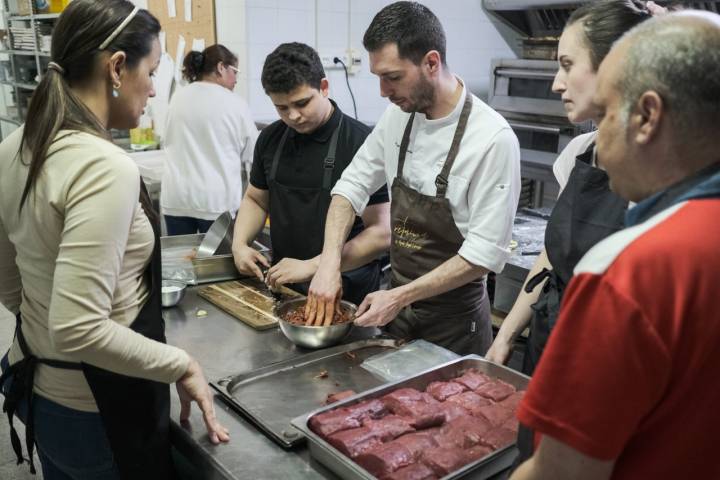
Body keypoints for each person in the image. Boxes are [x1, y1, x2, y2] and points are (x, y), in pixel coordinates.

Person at [0, 2, 228, 479]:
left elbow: (7, 276)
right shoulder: (104, 167)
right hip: (99, 407)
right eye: (152, 71)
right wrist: (180, 363)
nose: (152, 90)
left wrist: (39, 319)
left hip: (41, 389)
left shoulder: (17, 144)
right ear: (118, 67)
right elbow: (78, 328)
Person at [512, 11, 720, 479]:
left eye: (605, 114)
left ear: (647, 117)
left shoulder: (631, 271)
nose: (599, 144)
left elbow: (560, 473)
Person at [307, 2, 521, 355]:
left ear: (431, 63)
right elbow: (349, 188)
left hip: (454, 325)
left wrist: (400, 295)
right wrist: (329, 264)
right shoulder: (398, 118)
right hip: (397, 312)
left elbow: (483, 255)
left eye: (392, 77)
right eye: (379, 77)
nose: (383, 91)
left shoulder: (492, 140)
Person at [486, 1, 652, 374]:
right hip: (551, 337)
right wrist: (506, 336)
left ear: (615, 65)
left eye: (567, 65)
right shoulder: (580, 151)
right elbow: (551, 257)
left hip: (612, 360)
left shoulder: (662, 177)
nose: (556, 83)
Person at [231, 42, 390, 306]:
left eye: (302, 103)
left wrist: (315, 266)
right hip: (285, 284)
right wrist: (239, 244)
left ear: (324, 88)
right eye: (281, 108)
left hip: (346, 287)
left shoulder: (362, 142)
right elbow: (256, 199)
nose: (293, 116)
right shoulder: (271, 138)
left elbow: (381, 231)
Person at [161, 44, 258, 235]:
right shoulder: (235, 103)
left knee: (181, 260)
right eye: (235, 71)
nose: (236, 79)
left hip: (176, 198)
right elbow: (253, 153)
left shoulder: (178, 97)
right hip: (216, 203)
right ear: (221, 67)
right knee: (218, 263)